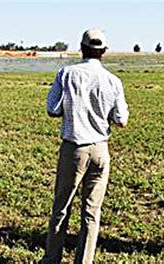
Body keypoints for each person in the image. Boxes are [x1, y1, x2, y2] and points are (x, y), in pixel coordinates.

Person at [41, 28, 129, 264]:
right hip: (101, 150)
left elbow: (52, 109)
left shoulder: (66, 74)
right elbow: (121, 120)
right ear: (104, 52)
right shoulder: (114, 81)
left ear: (81, 49)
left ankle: (52, 259)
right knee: (92, 212)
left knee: (62, 207)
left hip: (74, 148)